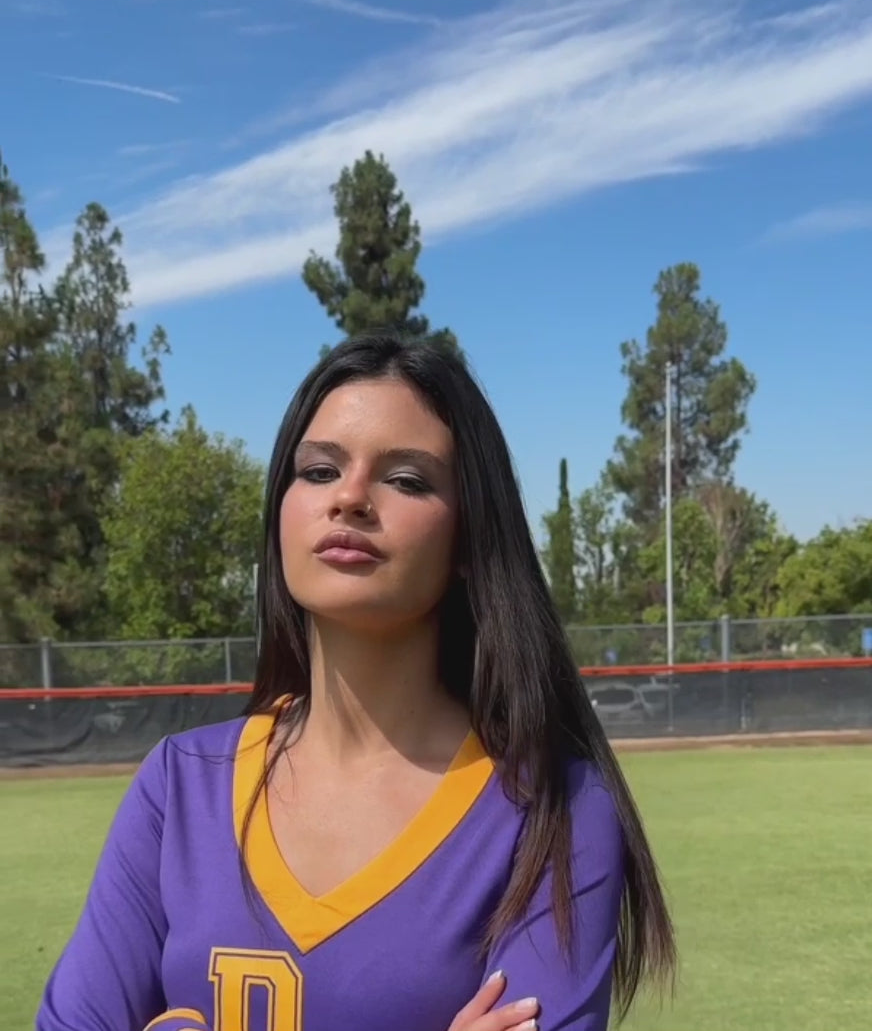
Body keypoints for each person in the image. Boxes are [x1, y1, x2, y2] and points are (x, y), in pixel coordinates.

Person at [36, 334, 676, 1031]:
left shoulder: (555, 807)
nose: (349, 497)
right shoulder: (179, 785)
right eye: (318, 470)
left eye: (406, 480)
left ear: (470, 538)